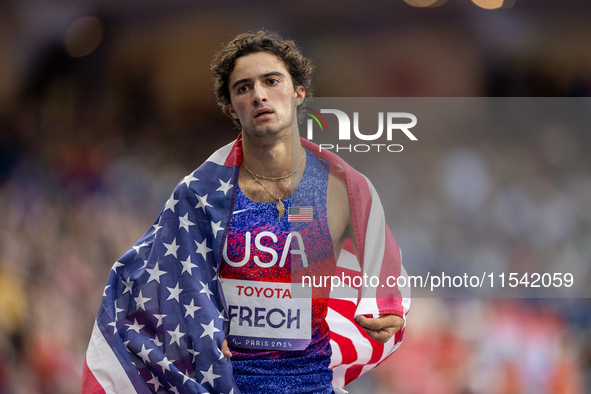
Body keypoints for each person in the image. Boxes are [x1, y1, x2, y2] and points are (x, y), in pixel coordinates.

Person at [82, 30, 409, 394]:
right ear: (230, 107)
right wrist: (197, 339)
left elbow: (382, 265)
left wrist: (387, 308)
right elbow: (150, 285)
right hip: (228, 385)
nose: (259, 95)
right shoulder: (200, 194)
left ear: (299, 91)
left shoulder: (344, 189)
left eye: (271, 81)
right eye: (243, 88)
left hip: (313, 383)